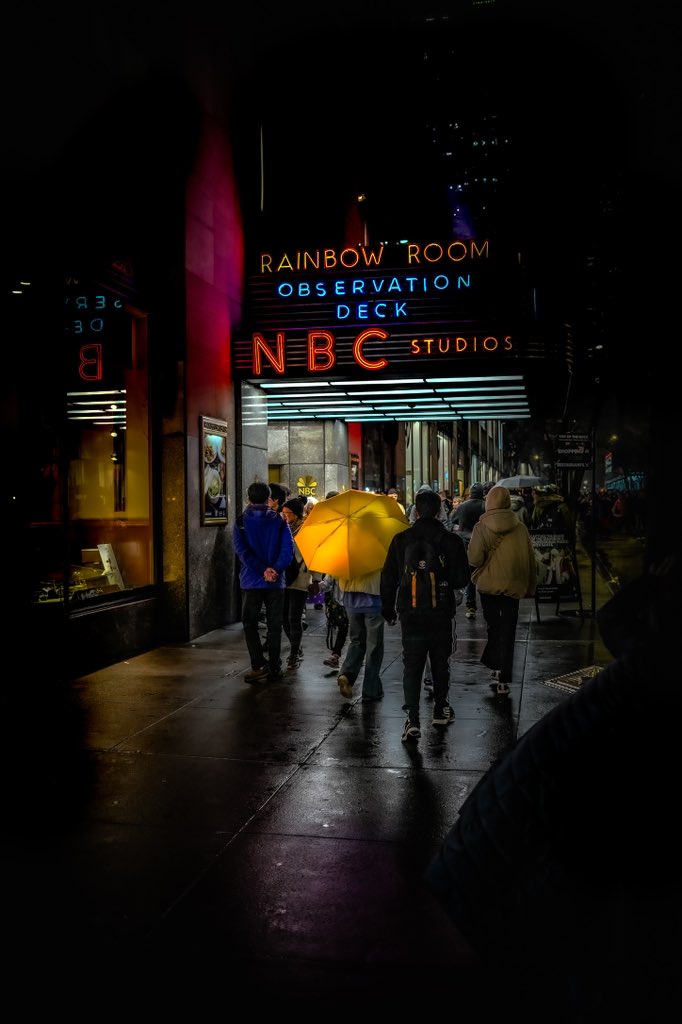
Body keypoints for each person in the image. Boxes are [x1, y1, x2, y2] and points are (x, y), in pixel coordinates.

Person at [381, 488, 470, 742]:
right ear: (440, 511)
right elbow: (462, 578)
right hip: (440, 612)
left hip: (410, 612)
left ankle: (412, 719)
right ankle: (441, 708)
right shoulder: (451, 541)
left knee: (412, 665)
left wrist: (388, 610)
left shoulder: (400, 540)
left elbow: (388, 577)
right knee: (440, 663)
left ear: (416, 511)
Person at [467, 485, 537, 697]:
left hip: (488, 587)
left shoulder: (481, 526)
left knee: (493, 627)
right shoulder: (520, 527)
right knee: (508, 630)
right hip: (513, 587)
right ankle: (503, 677)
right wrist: (530, 586)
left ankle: (495, 665)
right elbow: (530, 560)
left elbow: (475, 559)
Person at [233, 481, 294, 684]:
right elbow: (288, 550)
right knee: (274, 624)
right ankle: (275, 667)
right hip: (276, 583)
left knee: (250, 623)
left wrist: (261, 570)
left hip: (251, 581)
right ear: (269, 498)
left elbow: (242, 552)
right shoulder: (279, 520)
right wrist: (274, 570)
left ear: (248, 498)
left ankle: (258, 665)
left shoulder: (241, 521)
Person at [336, 567, 386, 703]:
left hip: (350, 599)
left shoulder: (344, 546)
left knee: (356, 641)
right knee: (374, 647)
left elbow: (334, 568)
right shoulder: (377, 547)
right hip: (373, 598)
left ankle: (346, 674)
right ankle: (371, 690)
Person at [280, 496, 311, 671]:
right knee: (284, 617)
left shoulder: (306, 530)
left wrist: (317, 579)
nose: (284, 516)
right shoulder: (284, 528)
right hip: (284, 577)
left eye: (288, 513)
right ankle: (296, 647)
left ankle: (293, 654)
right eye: (283, 513)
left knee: (294, 617)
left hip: (300, 577)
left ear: (298, 515)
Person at [450, 482, 486, 619]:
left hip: (466, 543)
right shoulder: (485, 506)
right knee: (483, 573)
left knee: (470, 576)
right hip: (482, 543)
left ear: (470, 493)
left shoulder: (463, 506)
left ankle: (471, 606)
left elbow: (452, 521)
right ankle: (486, 602)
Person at [317, 572, 349, 668]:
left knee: (357, 634)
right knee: (343, 629)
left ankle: (357, 657)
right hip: (339, 605)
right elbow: (327, 583)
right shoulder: (335, 567)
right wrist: (316, 587)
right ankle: (335, 655)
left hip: (355, 604)